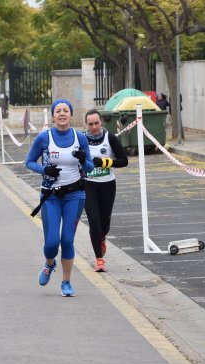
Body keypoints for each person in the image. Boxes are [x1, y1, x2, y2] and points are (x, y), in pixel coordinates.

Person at [26, 99, 94, 297]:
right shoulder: (44, 138)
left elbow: (90, 167)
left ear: (71, 115)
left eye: (66, 110)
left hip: (75, 194)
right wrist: (44, 169)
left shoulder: (79, 137)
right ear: (53, 115)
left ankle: (66, 282)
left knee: (67, 240)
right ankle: (49, 264)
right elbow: (29, 161)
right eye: (58, 111)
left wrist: (83, 160)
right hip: (51, 196)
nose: (62, 114)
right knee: (51, 243)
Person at [83, 109, 128, 272]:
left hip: (108, 185)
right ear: (86, 125)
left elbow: (124, 161)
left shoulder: (110, 138)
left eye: (96, 123)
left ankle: (102, 237)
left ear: (101, 122)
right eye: (90, 124)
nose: (94, 127)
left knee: (105, 223)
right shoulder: (81, 139)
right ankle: (99, 259)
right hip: (89, 185)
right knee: (94, 222)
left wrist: (104, 163)